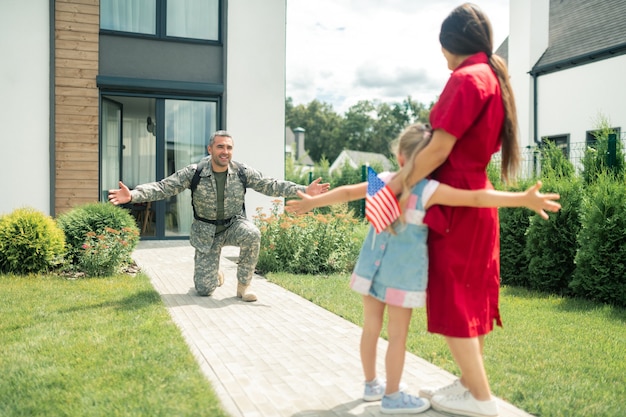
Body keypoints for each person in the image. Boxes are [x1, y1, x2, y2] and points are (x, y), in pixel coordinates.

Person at [286, 123, 560, 415]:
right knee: (398, 336)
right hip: (402, 277)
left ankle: (371, 386)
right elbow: (478, 198)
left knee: (370, 329)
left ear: (400, 156)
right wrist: (523, 199)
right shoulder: (428, 189)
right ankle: (392, 397)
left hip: (370, 268)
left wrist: (313, 203)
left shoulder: (384, 180)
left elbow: (346, 193)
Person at [382, 4, 524, 417]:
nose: (442, 58)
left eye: (442, 49)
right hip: (475, 196)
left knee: (455, 301)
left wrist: (400, 182)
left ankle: (482, 399)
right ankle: (467, 385)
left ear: (450, 43)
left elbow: (440, 147)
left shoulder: (466, 79)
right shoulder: (494, 77)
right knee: (471, 296)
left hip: (456, 201)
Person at [109, 130, 330, 302]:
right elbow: (163, 187)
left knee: (252, 234)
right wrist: (134, 195)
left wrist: (303, 190)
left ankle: (244, 287)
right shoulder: (194, 172)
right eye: (220, 147)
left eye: (229, 147)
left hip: (234, 225)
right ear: (210, 149)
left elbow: (270, 184)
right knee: (204, 291)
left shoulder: (242, 172)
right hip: (206, 232)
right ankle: (215, 275)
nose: (225, 151)